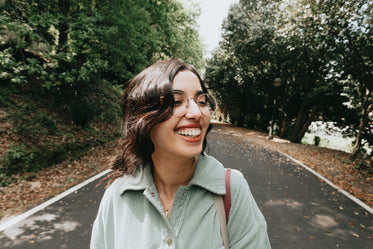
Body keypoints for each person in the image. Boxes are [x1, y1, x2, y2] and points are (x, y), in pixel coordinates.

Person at [90, 58, 271, 249]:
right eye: (177, 101)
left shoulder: (231, 190)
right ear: (144, 118)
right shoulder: (117, 195)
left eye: (201, 101)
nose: (196, 112)